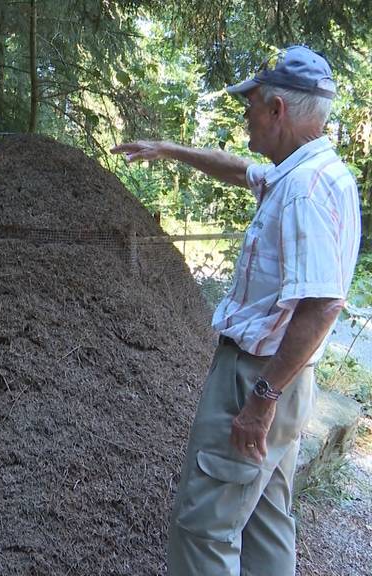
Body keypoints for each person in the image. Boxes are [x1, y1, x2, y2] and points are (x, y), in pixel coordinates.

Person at [113, 45, 360, 575]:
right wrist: (169, 149)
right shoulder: (318, 172)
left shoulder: (301, 192)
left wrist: (261, 399)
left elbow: (321, 306)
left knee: (205, 528)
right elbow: (242, 170)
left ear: (278, 110)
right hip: (289, 380)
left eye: (250, 104)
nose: (244, 115)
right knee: (267, 518)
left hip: (258, 375)